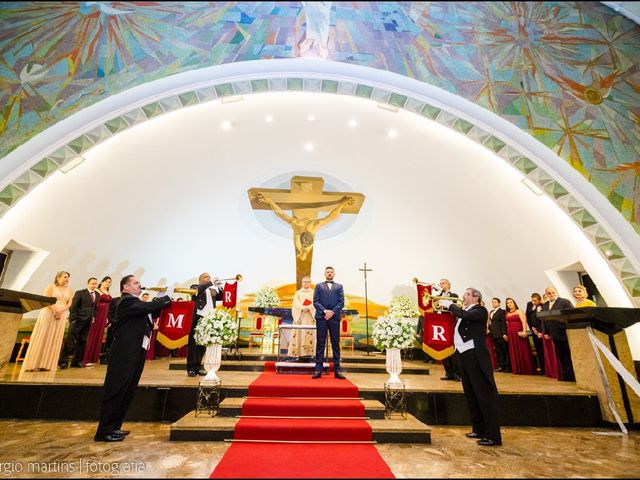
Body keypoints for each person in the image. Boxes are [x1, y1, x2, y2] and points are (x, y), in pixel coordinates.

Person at [94, 275, 173, 442]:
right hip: (125, 350)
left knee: (128, 389)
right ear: (125, 288)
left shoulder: (136, 303)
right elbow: (147, 307)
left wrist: (160, 301)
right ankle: (104, 430)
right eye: (136, 283)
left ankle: (115, 426)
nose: (140, 285)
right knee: (117, 388)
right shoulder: (126, 301)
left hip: (136, 350)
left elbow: (150, 311)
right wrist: (166, 298)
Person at [440, 288, 501, 446]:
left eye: (466, 294)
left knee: (483, 394)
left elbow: (464, 315)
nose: (463, 296)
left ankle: (493, 435)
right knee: (471, 394)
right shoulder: (464, 311)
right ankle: (478, 429)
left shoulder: (480, 310)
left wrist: (450, 305)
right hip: (463, 355)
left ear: (475, 298)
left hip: (475, 355)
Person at [255, 193, 354, 262]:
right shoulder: (313, 226)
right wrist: (342, 204)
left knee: (301, 249)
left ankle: (302, 254)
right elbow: (331, 217)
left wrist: (270, 202)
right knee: (302, 250)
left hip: (300, 229)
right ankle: (303, 254)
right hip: (304, 230)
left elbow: (280, 213)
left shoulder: (297, 225)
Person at [21, 271, 73, 372]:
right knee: (43, 337)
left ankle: (47, 364)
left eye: (68, 277)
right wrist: (55, 310)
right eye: (65, 277)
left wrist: (61, 310)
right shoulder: (51, 287)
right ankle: (35, 364)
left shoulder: (69, 290)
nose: (67, 279)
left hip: (61, 315)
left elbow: (69, 302)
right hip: (49, 313)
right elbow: (45, 301)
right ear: (58, 278)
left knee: (54, 339)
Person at [312, 266, 346, 379]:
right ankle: (318, 369)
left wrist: (332, 312)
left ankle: (337, 370)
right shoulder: (319, 286)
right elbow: (315, 301)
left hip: (334, 318)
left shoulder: (339, 286)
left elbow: (342, 302)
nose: (329, 273)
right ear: (325, 274)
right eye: (328, 272)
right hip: (322, 318)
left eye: (331, 272)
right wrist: (325, 311)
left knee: (335, 344)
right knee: (320, 344)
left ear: (334, 274)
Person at [187, 272, 223, 377]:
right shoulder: (195, 287)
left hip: (208, 319)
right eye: (206, 277)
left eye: (209, 277)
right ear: (200, 279)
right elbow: (198, 290)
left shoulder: (212, 290)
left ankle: (197, 367)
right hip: (197, 318)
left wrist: (219, 287)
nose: (208, 278)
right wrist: (210, 282)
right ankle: (190, 368)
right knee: (193, 344)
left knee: (202, 345)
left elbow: (221, 297)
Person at [59, 277, 99, 369]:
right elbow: (73, 306)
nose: (94, 285)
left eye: (96, 284)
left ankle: (76, 362)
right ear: (88, 284)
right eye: (92, 283)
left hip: (88, 322)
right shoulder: (80, 293)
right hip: (78, 320)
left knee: (83, 341)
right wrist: (73, 318)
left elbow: (95, 308)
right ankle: (63, 362)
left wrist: (93, 317)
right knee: (70, 341)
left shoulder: (97, 294)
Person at [540, 287, 575, 382]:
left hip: (565, 333)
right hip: (554, 333)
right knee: (562, 356)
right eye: (549, 293)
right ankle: (566, 376)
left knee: (570, 355)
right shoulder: (545, 305)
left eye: (553, 292)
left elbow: (572, 316)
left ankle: (574, 376)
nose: (551, 294)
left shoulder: (565, 302)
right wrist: (545, 332)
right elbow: (544, 319)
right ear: (546, 295)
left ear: (557, 292)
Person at [83, 276, 113, 366]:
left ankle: (93, 359)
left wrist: (108, 317)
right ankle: (86, 359)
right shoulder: (97, 291)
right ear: (102, 282)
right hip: (97, 314)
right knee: (92, 336)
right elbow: (93, 303)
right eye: (106, 281)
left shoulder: (108, 292)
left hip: (104, 316)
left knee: (99, 336)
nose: (108, 283)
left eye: (109, 282)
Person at [438, 278, 461, 381]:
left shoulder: (454, 295)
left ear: (448, 284)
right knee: (444, 347)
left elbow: (454, 308)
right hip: (441, 323)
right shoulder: (438, 296)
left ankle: (456, 373)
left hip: (451, 322)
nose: (441, 285)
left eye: (443, 283)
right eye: (440, 283)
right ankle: (448, 373)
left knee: (452, 348)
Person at [288, 276, 316, 358]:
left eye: (308, 281)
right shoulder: (298, 293)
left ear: (310, 283)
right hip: (300, 317)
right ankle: (298, 354)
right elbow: (295, 303)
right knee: (300, 333)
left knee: (310, 334)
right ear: (302, 282)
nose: (306, 283)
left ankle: (311, 354)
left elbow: (316, 302)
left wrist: (309, 307)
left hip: (310, 317)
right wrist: (302, 307)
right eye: (304, 281)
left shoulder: (314, 292)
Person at [505, 298, 534, 375]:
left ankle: (526, 368)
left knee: (522, 349)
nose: (509, 304)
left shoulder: (519, 311)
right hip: (511, 333)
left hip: (519, 332)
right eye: (508, 303)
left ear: (514, 303)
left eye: (511, 302)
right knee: (513, 350)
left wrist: (524, 331)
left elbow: (524, 321)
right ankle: (517, 368)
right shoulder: (507, 313)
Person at [488, 298, 510, 373]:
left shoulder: (502, 311)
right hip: (493, 334)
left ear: (499, 303)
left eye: (495, 302)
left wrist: (504, 333)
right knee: (498, 351)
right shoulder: (491, 312)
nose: (493, 303)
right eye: (492, 302)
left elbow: (504, 323)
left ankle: (507, 367)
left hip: (501, 334)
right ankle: (501, 366)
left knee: (505, 351)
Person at [525, 293, 545, 374]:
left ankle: (546, 368)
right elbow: (528, 317)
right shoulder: (529, 304)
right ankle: (542, 368)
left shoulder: (542, 305)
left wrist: (540, 331)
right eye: (532, 300)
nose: (533, 302)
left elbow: (542, 319)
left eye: (535, 301)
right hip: (533, 330)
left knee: (544, 350)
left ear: (539, 300)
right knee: (538, 350)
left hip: (541, 330)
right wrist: (532, 328)